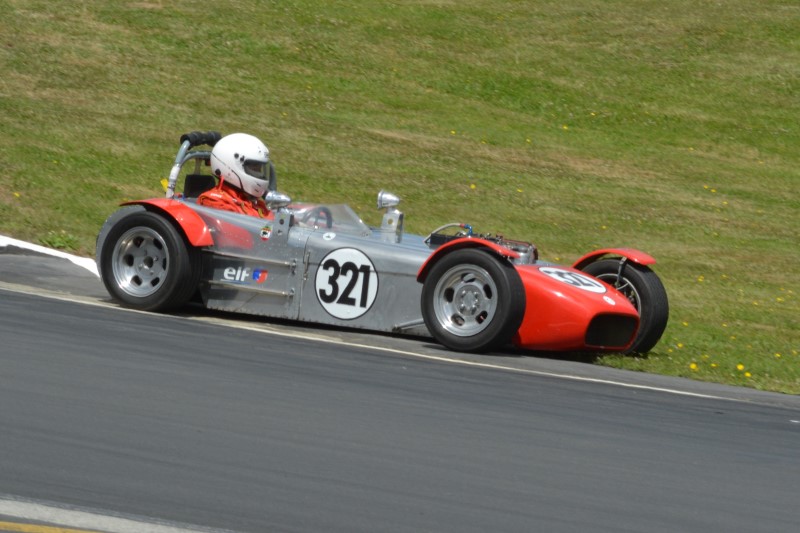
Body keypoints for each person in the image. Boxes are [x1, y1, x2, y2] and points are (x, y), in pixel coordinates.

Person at [197, 133, 274, 218]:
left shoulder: (257, 204)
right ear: (230, 166)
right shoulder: (215, 202)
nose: (260, 174)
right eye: (254, 169)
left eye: (259, 169)